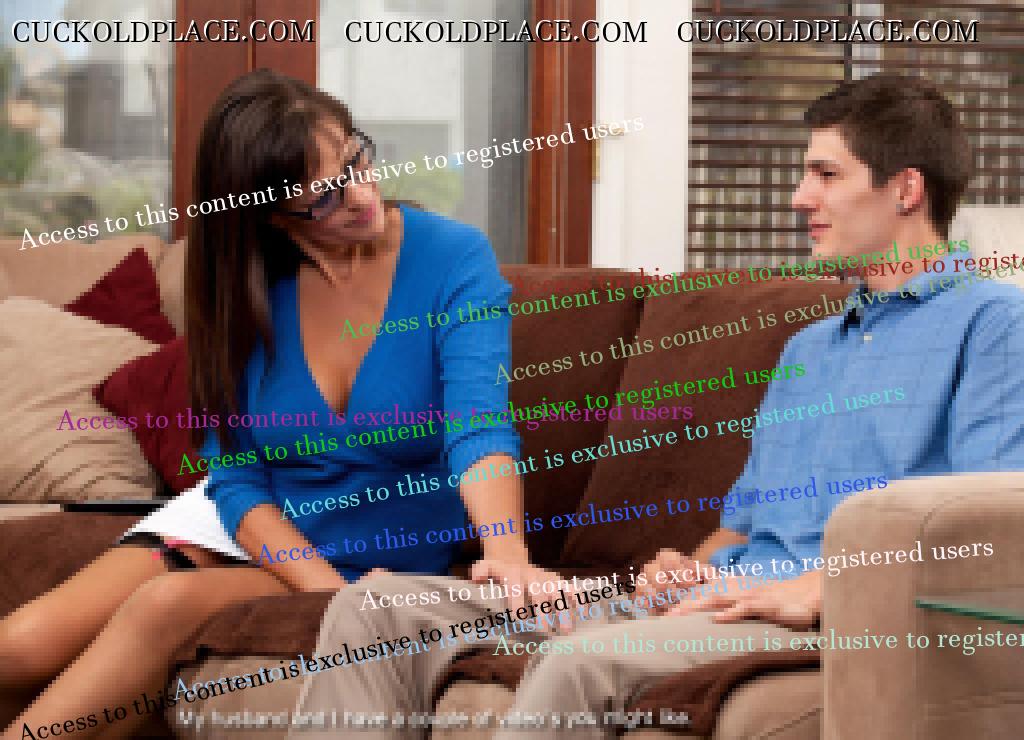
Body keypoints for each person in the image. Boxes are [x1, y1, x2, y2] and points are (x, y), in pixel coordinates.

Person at [287, 74, 1024, 738]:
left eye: (825, 175)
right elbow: (742, 523)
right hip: (723, 595)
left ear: (905, 190)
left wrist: (819, 588)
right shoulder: (811, 346)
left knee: (577, 665)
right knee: (375, 611)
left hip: (813, 616)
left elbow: (986, 525)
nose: (801, 198)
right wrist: (682, 567)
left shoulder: (993, 325)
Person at [0, 68, 545, 740]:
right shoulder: (243, 285)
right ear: (267, 214)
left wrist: (507, 552)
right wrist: (325, 590)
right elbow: (235, 476)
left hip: (366, 544)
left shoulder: (454, 259)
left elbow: (479, 427)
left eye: (355, 159)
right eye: (323, 197)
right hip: (245, 521)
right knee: (19, 646)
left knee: (162, 607)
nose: (361, 195)